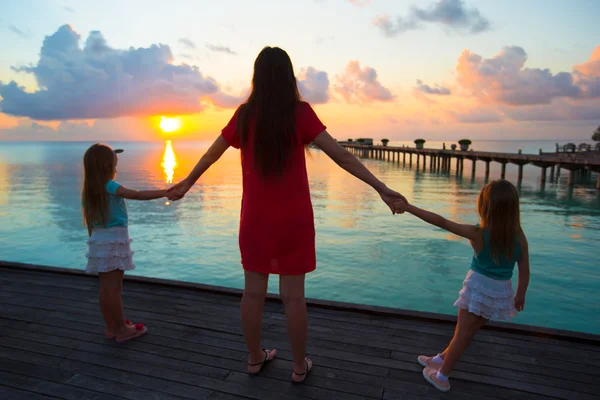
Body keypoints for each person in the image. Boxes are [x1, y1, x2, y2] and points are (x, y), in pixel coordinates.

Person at [167, 46, 406, 382]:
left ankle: (254, 358)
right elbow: (342, 157)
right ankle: (297, 367)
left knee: (252, 293)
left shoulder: (245, 115)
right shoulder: (300, 113)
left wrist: (187, 182)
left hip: (255, 221)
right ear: (288, 77)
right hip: (293, 220)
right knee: (294, 298)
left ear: (257, 77)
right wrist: (381, 187)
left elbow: (212, 154)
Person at [395, 179, 529, 392]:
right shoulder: (519, 237)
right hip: (500, 293)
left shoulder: (479, 234)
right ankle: (440, 359)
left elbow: (442, 222)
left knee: (462, 334)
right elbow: (524, 269)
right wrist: (520, 295)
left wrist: (409, 207)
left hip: (478, 289)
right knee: (467, 332)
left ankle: (441, 376)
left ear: (486, 207)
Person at [82, 143, 168, 343]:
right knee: (114, 289)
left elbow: (90, 224)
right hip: (114, 241)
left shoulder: (90, 189)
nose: (116, 169)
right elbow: (136, 194)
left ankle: (112, 326)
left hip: (100, 241)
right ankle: (122, 330)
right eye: (114, 164)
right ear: (106, 167)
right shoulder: (109, 186)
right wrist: (164, 192)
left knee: (106, 288)